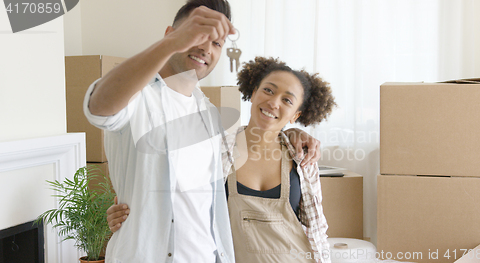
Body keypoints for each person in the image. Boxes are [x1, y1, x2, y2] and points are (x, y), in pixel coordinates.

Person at [84, 0, 322, 262]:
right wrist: (169, 45)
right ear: (169, 35)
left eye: (217, 43)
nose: (206, 47)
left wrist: (291, 134)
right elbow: (99, 107)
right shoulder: (137, 96)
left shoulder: (209, 114)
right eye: (197, 35)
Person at [107, 57, 336, 262]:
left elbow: (317, 228)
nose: (274, 102)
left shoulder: (303, 160)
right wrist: (131, 212)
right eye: (268, 90)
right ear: (254, 92)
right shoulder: (215, 147)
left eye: (287, 100)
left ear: (296, 114)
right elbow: (180, 200)